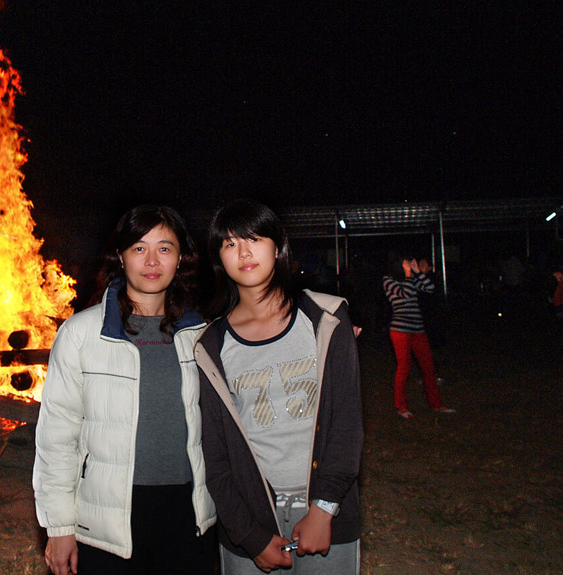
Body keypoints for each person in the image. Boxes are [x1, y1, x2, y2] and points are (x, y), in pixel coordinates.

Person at [33, 205, 217, 575]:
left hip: (187, 511)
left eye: (164, 248)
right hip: (108, 516)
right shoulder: (81, 334)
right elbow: (57, 437)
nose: (152, 261)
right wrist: (60, 526)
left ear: (181, 258)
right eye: (138, 248)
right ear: (120, 256)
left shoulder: (201, 335)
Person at [194, 199, 363, 574]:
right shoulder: (210, 346)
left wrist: (323, 509)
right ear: (219, 258)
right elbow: (215, 455)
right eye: (230, 243)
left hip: (327, 512)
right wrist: (248, 535)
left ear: (278, 247)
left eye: (254, 238)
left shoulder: (326, 319)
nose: (244, 252)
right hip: (252, 519)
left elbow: (347, 425)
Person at [383, 252, 455, 419]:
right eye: (406, 263)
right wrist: (409, 275)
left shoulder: (411, 279)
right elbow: (406, 293)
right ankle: (401, 407)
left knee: (428, 367)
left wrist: (418, 272)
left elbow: (429, 288)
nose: (408, 265)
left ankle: (436, 404)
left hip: (417, 329)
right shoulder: (388, 280)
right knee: (404, 368)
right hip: (400, 330)